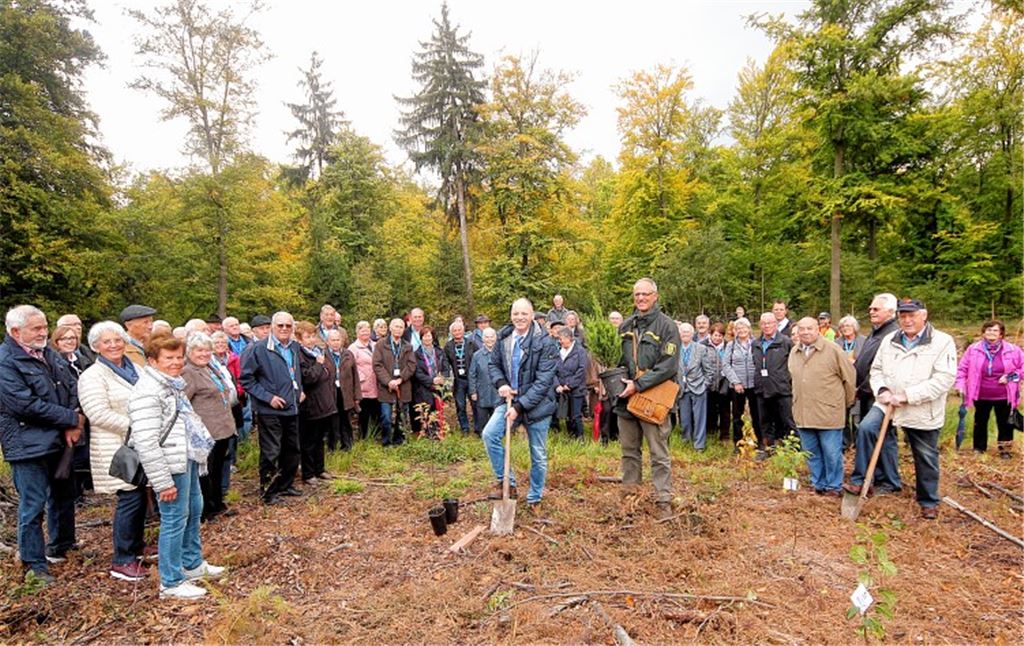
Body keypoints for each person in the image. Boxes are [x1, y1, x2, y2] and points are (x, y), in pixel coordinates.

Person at [128, 332, 223, 600]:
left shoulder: (172, 385)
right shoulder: (148, 391)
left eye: (179, 357)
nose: (176, 362)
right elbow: (146, 442)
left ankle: (191, 563)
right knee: (173, 520)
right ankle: (170, 581)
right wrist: (163, 482)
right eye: (168, 358)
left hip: (187, 458)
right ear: (152, 360)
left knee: (194, 509)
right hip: (169, 466)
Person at [844, 298, 957, 519]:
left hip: (921, 407)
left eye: (911, 315)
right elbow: (876, 370)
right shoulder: (890, 340)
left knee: (924, 453)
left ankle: (928, 501)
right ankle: (860, 481)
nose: (907, 320)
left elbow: (944, 379)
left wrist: (908, 396)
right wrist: (883, 390)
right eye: (903, 316)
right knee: (866, 429)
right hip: (887, 402)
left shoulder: (942, 342)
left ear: (923, 315)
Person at [1, 305, 83, 585]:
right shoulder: (6, 362)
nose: (43, 332)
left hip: (59, 440)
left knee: (63, 495)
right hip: (26, 445)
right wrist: (70, 418)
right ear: (15, 331)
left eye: (44, 326)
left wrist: (74, 420)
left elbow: (71, 385)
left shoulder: (49, 354)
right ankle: (34, 564)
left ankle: (61, 545)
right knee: (33, 505)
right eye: (36, 328)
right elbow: (24, 405)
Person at [78, 321, 149, 582]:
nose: (114, 345)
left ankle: (137, 546)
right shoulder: (93, 376)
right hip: (116, 447)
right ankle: (122, 559)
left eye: (117, 340)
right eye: (107, 342)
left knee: (140, 495)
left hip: (141, 443)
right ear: (96, 347)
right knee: (129, 498)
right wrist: (135, 424)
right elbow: (96, 413)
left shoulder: (136, 369)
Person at [615, 279, 681, 520]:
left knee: (658, 452)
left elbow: (668, 365)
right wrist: (619, 381)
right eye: (637, 295)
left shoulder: (667, 327)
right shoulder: (625, 326)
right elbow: (617, 360)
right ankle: (630, 500)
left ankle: (663, 500)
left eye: (645, 294)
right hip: (626, 400)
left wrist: (639, 384)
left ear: (655, 296)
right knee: (629, 452)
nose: (640, 298)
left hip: (653, 398)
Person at [483, 298, 558, 508]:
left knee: (538, 454)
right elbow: (493, 364)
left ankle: (534, 497)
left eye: (524, 313)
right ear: (511, 315)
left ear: (532, 315)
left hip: (538, 405)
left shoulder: (545, 341)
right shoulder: (504, 337)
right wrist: (501, 383)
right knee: (490, 435)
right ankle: (508, 482)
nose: (519, 318)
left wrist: (519, 407)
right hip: (509, 399)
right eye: (516, 313)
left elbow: (544, 382)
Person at [240, 312, 303, 505]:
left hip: (292, 407)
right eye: (280, 325)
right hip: (270, 410)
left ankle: (285, 484)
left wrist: (300, 390)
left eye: (288, 326)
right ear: (272, 327)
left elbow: (296, 373)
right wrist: (268, 398)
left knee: (291, 450)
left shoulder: (294, 347)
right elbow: (246, 380)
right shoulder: (258, 349)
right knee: (271, 452)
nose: (284, 329)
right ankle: (268, 491)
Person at [789, 317, 856, 495]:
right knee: (811, 453)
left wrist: (845, 404)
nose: (805, 332)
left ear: (818, 329)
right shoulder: (794, 351)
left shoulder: (833, 350)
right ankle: (817, 483)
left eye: (809, 328)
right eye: (801, 329)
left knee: (832, 453)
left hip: (828, 413)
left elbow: (849, 379)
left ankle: (833, 486)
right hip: (803, 412)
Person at [181, 333, 237, 522]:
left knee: (219, 467)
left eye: (207, 350)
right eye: (199, 350)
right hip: (206, 431)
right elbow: (183, 403)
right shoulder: (188, 372)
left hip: (222, 427)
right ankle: (207, 510)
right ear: (189, 352)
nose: (204, 354)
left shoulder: (211, 367)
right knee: (207, 471)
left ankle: (218, 503)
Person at [848, 294, 900, 492]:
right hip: (867, 392)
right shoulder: (876, 332)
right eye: (870, 308)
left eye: (876, 309)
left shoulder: (892, 334)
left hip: (881, 393)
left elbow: (883, 368)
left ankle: (868, 479)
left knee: (871, 431)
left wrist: (863, 388)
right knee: (882, 436)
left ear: (890, 311)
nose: (871, 312)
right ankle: (884, 478)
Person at [956, 320, 1024, 458]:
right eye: (988, 330)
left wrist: (1010, 377)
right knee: (980, 421)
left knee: (1005, 423)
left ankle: (1005, 450)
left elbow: (1022, 368)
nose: (991, 333)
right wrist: (960, 385)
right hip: (981, 393)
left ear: (1001, 334)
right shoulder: (973, 349)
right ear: (983, 333)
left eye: (995, 330)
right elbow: (962, 369)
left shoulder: (1013, 350)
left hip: (1005, 394)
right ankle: (979, 449)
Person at [294, 321, 337, 483]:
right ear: (299, 339)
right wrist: (319, 365)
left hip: (324, 403)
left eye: (313, 336)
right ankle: (308, 473)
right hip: (310, 405)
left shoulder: (316, 352)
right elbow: (308, 378)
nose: (311, 340)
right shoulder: (300, 355)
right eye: (307, 337)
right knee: (309, 441)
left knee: (320, 439)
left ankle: (320, 469)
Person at [753, 311, 795, 453]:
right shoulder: (756, 343)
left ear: (776, 324)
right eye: (763, 323)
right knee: (765, 422)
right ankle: (768, 448)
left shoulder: (785, 342)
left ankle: (793, 450)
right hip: (762, 389)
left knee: (787, 421)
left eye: (770, 323)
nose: (766, 326)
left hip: (782, 389)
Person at [372, 318, 417, 446]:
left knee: (401, 415)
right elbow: (377, 365)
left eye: (401, 327)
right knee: (386, 417)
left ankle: (399, 440)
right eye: (396, 326)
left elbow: (411, 365)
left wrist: (400, 379)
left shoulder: (408, 346)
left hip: (403, 386)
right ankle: (386, 441)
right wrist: (389, 381)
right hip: (386, 387)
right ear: (390, 328)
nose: (398, 329)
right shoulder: (381, 344)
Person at [676, 322, 715, 451]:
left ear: (692, 334)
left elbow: (709, 370)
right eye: (682, 332)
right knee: (684, 418)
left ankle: (699, 444)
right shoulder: (675, 349)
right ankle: (686, 440)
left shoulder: (701, 348)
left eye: (687, 332)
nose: (685, 334)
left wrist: (704, 385)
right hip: (682, 388)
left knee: (699, 418)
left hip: (698, 387)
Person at [723, 317, 760, 448]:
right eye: (738, 328)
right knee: (738, 416)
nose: (742, 330)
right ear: (735, 331)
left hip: (755, 385)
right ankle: (738, 444)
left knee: (757, 414)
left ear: (749, 329)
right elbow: (726, 365)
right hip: (737, 386)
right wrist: (736, 382)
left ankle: (759, 441)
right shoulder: (730, 345)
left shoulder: (757, 343)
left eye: (744, 327)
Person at [412, 326, 451, 439]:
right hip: (424, 387)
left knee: (438, 410)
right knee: (427, 411)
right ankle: (430, 433)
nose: (427, 338)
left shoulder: (440, 351)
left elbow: (446, 368)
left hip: (439, 386)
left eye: (429, 335)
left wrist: (442, 378)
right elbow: (417, 373)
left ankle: (440, 432)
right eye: (425, 336)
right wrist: (431, 380)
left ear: (433, 337)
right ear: (421, 338)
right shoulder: (416, 354)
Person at [835, 315, 866, 449]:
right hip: (841, 383)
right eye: (842, 327)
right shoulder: (836, 343)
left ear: (854, 327)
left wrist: (855, 363)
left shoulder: (864, 341)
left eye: (848, 326)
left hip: (859, 381)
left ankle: (859, 442)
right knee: (843, 415)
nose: (845, 329)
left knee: (857, 416)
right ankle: (845, 442)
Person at [327, 328, 360, 451]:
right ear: (328, 342)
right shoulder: (323, 355)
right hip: (331, 393)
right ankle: (332, 447)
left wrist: (357, 396)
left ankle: (347, 445)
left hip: (346, 392)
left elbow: (355, 376)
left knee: (346, 420)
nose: (335, 342)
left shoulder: (348, 354)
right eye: (333, 340)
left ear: (341, 341)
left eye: (338, 340)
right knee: (332, 421)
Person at [444, 319, 477, 436]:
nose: (457, 332)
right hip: (458, 380)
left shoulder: (471, 343)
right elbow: (445, 362)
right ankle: (465, 429)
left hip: (471, 379)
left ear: (463, 331)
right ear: (452, 333)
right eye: (455, 331)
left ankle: (478, 428)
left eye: (459, 330)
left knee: (475, 404)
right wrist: (447, 377)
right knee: (460, 405)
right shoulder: (448, 346)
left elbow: (477, 359)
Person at [554, 327, 589, 439]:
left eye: (561, 338)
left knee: (576, 415)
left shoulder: (580, 351)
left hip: (577, 389)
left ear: (568, 338)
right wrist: (557, 385)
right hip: (562, 389)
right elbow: (553, 370)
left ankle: (580, 438)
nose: (560, 341)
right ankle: (570, 437)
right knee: (567, 415)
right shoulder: (558, 351)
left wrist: (569, 384)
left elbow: (582, 370)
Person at [349, 321, 380, 440]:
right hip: (363, 385)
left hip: (376, 384)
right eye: (362, 330)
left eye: (367, 329)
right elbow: (350, 367)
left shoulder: (376, 345)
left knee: (376, 412)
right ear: (357, 332)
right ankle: (364, 438)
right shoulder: (353, 348)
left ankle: (376, 436)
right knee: (364, 413)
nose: (365, 332)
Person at [468, 327, 500, 436]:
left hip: (497, 392)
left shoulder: (501, 354)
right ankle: (481, 436)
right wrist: (473, 392)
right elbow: (472, 374)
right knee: (481, 417)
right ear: (483, 339)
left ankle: (495, 436)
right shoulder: (477, 355)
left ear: (496, 338)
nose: (489, 339)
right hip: (482, 392)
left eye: (492, 337)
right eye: (487, 337)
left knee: (496, 417)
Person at [704, 323, 731, 442]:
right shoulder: (703, 346)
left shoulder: (728, 346)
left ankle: (724, 434)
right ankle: (711, 432)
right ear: (710, 335)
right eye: (715, 335)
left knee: (724, 410)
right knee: (710, 409)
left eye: (720, 335)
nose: (717, 338)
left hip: (724, 382)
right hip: (709, 382)